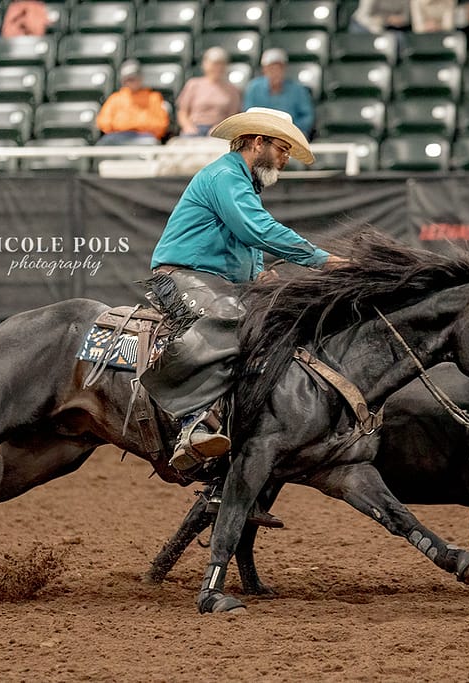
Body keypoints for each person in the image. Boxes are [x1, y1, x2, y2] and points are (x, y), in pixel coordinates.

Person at [140, 107, 344, 473]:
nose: (284, 159)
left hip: (217, 280)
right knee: (228, 317)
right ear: (257, 141)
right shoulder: (226, 176)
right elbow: (257, 230)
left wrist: (261, 274)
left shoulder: (239, 180)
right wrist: (323, 260)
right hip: (182, 276)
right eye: (282, 149)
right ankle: (193, 424)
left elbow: (246, 240)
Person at [243, 50, 314, 140]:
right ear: (264, 69)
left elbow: (307, 117)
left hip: (291, 136)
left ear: (284, 69)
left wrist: (292, 130)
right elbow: (248, 115)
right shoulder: (253, 88)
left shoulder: (298, 90)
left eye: (279, 68)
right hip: (260, 135)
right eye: (271, 68)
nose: (275, 72)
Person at [95, 60, 170, 145]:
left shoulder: (154, 97)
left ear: (141, 78)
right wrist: (130, 124)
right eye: (128, 79)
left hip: (144, 136)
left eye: (134, 78)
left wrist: (132, 124)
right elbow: (103, 122)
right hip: (119, 136)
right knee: (104, 144)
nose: (132, 82)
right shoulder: (115, 98)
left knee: (150, 142)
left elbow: (161, 125)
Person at [176, 47, 242, 137]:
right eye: (214, 64)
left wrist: (220, 128)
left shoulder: (232, 90)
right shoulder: (193, 84)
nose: (217, 68)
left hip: (219, 129)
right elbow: (182, 112)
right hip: (194, 127)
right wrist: (188, 127)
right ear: (205, 64)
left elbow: (233, 116)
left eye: (221, 64)